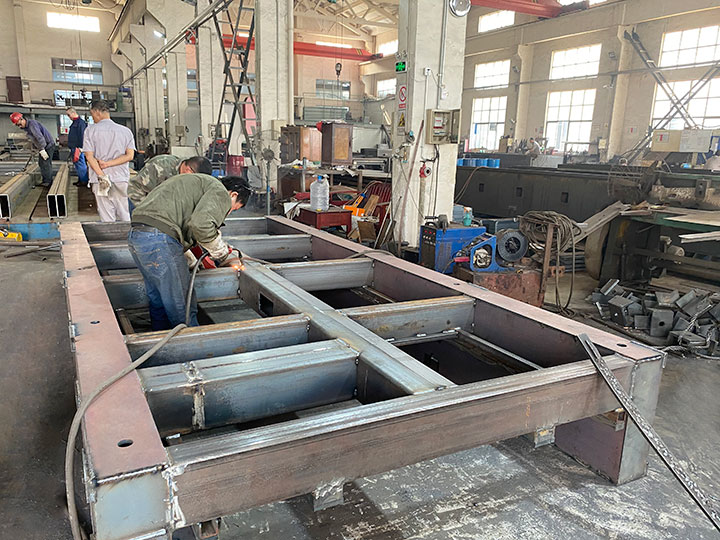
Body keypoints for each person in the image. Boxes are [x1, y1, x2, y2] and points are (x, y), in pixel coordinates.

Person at [128, 174, 250, 330]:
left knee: (158, 298)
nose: (229, 211)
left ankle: (162, 337)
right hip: (159, 238)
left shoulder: (199, 184)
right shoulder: (219, 191)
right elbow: (201, 225)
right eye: (234, 208)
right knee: (181, 303)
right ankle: (191, 341)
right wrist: (221, 252)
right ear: (233, 195)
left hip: (138, 236)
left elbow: (184, 223)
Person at [83, 100, 136, 222]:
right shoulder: (125, 131)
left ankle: (110, 234)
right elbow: (129, 156)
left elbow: (89, 157)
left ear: (97, 112)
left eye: (92, 114)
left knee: (106, 214)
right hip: (120, 178)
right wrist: (108, 164)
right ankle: (126, 233)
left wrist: (102, 175)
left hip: (100, 179)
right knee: (124, 212)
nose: (92, 118)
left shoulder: (90, 130)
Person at [128, 155, 212, 212]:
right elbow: (135, 188)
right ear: (188, 170)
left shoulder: (190, 176)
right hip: (139, 202)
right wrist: (145, 212)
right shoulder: (160, 166)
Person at [10, 112, 55, 186]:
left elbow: (39, 137)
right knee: (41, 163)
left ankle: (48, 182)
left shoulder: (32, 125)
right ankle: (46, 180)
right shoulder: (27, 128)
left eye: (19, 124)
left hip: (48, 146)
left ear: (22, 119)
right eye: (18, 125)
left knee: (45, 163)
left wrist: (42, 149)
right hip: (44, 146)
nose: (19, 126)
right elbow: (34, 139)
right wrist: (36, 149)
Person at [66, 108, 89, 187]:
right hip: (74, 147)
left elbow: (82, 135)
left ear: (73, 113)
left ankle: (84, 181)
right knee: (77, 165)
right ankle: (80, 179)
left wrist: (81, 147)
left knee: (80, 164)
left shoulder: (80, 123)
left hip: (77, 148)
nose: (69, 117)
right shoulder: (75, 123)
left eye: (69, 115)